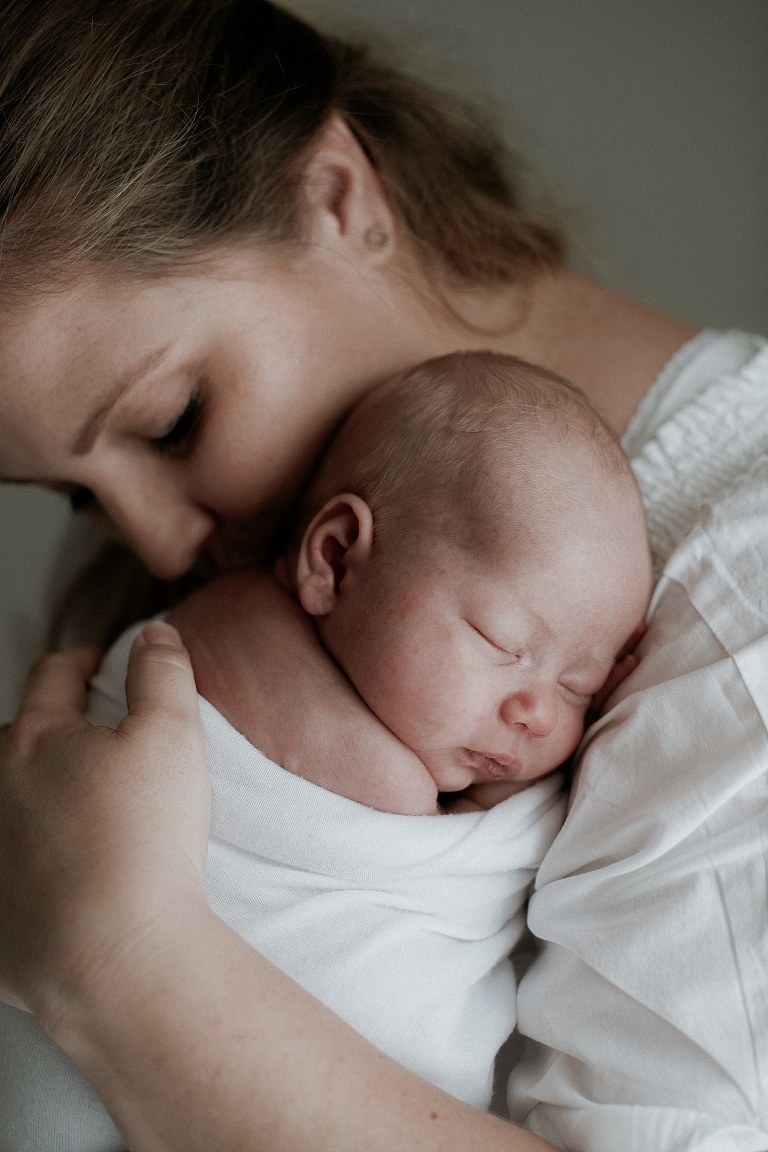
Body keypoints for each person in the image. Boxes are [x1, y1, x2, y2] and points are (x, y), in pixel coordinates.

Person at [0, 2, 765, 1151]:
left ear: (338, 198)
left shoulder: (739, 605)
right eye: (79, 494)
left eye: (171, 422)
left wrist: (123, 965)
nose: (153, 545)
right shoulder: (252, 619)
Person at [65, 351, 648, 1124]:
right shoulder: (219, 648)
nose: (537, 714)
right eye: (503, 642)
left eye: (582, 688)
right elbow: (428, 821)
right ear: (337, 560)